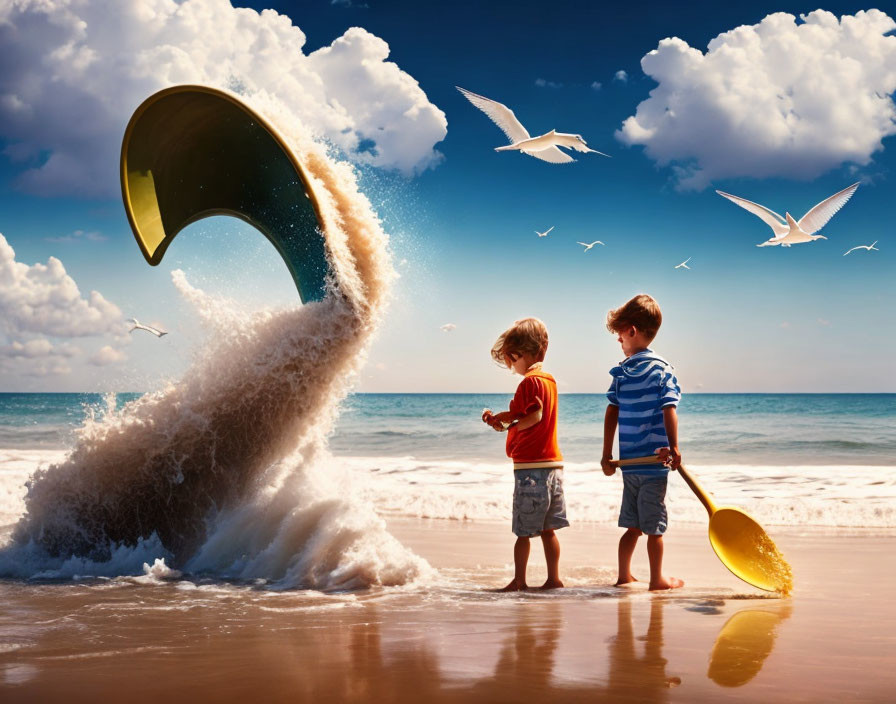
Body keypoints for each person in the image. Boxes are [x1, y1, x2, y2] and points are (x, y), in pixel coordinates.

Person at [600, 294, 684, 590]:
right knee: (655, 529)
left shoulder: (621, 373)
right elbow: (668, 409)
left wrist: (606, 454)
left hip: (629, 464)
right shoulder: (663, 369)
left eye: (619, 334)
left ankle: (624, 575)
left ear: (632, 331)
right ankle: (657, 579)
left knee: (633, 525)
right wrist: (674, 447)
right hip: (653, 464)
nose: (619, 341)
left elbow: (612, 412)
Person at [482, 317, 567, 591]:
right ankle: (554, 578)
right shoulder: (549, 381)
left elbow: (533, 416)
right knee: (548, 529)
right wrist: (502, 420)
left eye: (511, 361)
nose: (513, 368)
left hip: (531, 467)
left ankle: (519, 580)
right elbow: (530, 414)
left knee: (523, 532)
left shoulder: (529, 383)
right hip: (553, 465)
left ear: (518, 354)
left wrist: (513, 427)